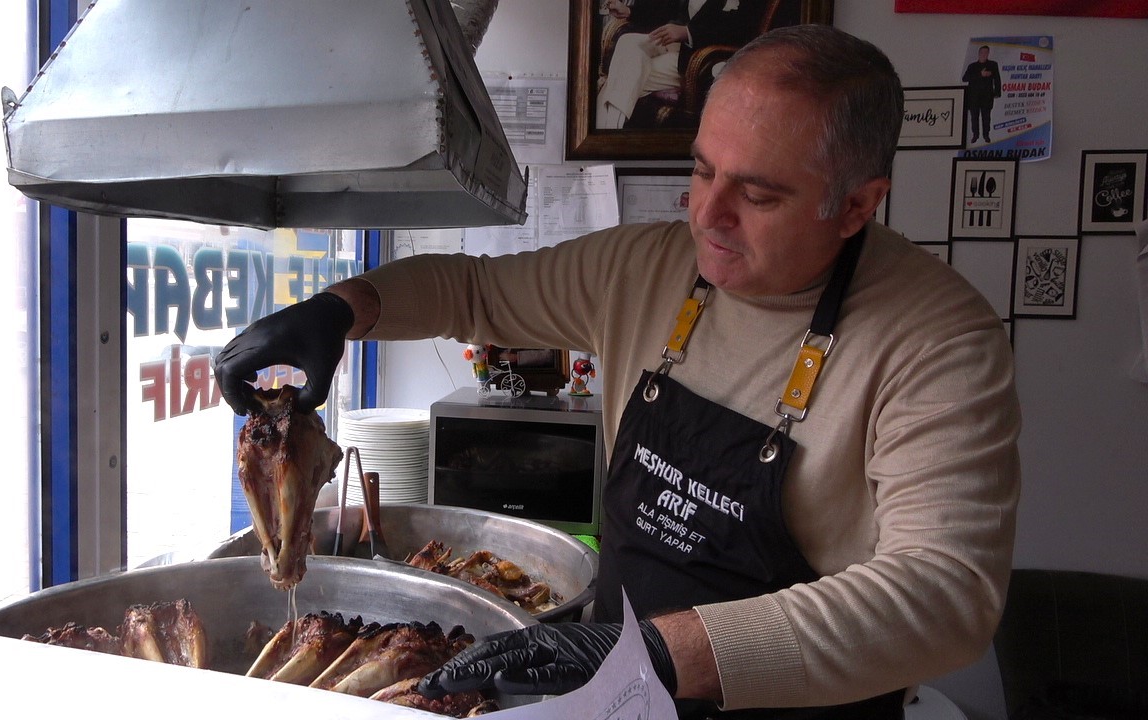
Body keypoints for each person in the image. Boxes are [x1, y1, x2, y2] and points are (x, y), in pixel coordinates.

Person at [214, 24, 1021, 720]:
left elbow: (945, 596)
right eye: (703, 171)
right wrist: (339, 309)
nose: (706, 215)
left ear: (855, 205)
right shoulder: (650, 269)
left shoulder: (939, 341)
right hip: (616, 694)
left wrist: (669, 655)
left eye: (759, 195)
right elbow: (471, 290)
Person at [595, 0, 768, 129]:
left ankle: (606, 134)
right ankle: (608, 131)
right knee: (628, 44)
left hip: (706, 60)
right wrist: (629, 11)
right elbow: (666, 8)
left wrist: (688, 32)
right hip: (680, 49)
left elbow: (742, 28)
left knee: (623, 76)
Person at [962, 44, 1001, 143]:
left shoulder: (993, 65)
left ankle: (986, 135)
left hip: (987, 97)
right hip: (974, 97)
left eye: (986, 53)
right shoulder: (972, 66)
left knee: (986, 118)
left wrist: (997, 92)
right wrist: (980, 74)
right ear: (979, 53)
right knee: (974, 117)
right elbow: (965, 78)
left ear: (988, 54)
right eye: (982, 52)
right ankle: (975, 135)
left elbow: (997, 79)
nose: (984, 54)